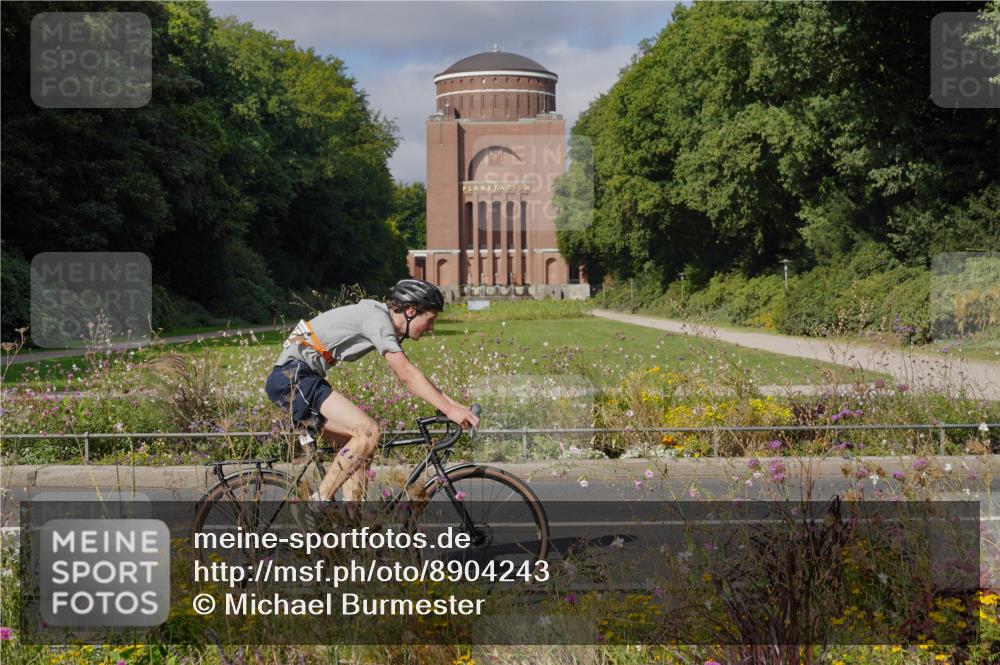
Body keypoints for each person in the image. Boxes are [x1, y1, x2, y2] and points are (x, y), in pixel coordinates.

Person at [264, 279, 479, 503]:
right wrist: (450, 410)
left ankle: (353, 524)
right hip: (293, 377)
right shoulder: (378, 320)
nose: (432, 327)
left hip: (302, 377)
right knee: (367, 433)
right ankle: (317, 503)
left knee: (361, 448)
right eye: (430, 319)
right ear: (411, 310)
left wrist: (453, 406)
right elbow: (406, 374)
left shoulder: (377, 317)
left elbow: (413, 374)